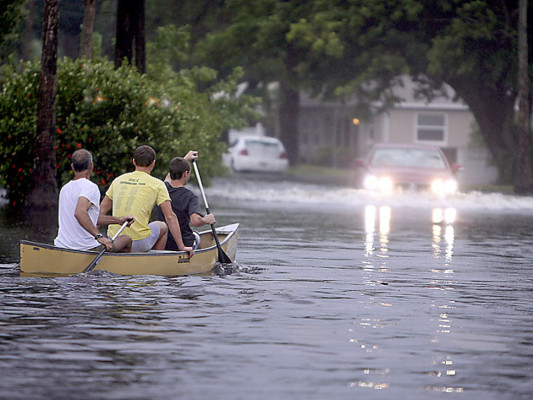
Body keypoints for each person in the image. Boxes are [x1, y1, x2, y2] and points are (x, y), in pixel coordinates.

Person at [99, 145, 194, 256]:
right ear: (153, 163)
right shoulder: (158, 184)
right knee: (162, 226)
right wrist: (182, 247)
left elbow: (101, 210)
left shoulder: (118, 180)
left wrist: (96, 237)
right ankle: (155, 259)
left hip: (113, 239)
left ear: (133, 162)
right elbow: (170, 217)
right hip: (138, 243)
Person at [54, 149, 134, 252]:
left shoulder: (65, 188)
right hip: (86, 248)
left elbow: (89, 218)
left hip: (61, 246)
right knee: (127, 240)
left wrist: (119, 221)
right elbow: (80, 213)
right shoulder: (90, 187)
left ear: (72, 167)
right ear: (91, 165)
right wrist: (99, 236)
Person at [156, 156, 216, 251]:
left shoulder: (162, 188)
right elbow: (195, 221)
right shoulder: (191, 197)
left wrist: (186, 158)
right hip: (183, 244)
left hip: (161, 241)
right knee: (196, 237)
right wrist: (206, 219)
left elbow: (168, 177)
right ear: (185, 173)